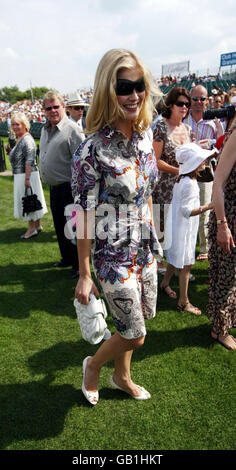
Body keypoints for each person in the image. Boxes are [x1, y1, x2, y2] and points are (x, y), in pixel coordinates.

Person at [71, 48, 163, 405]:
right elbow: (83, 213)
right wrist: (83, 273)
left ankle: (121, 376)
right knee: (136, 333)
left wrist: (156, 236)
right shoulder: (91, 150)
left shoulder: (144, 135)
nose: (134, 95)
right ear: (108, 89)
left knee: (137, 322)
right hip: (112, 255)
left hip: (144, 248)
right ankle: (93, 366)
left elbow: (149, 192)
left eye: (139, 85)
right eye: (124, 86)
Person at [163, 143, 214, 315]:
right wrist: (207, 206)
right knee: (186, 266)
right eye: (201, 161)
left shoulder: (182, 179)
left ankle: (164, 283)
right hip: (184, 230)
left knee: (173, 258)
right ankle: (183, 301)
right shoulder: (190, 184)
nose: (204, 163)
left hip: (178, 227)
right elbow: (186, 211)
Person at [39, 90, 84, 279]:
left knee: (72, 228)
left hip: (69, 188)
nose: (53, 111)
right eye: (48, 108)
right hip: (54, 188)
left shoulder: (72, 129)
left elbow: (82, 160)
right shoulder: (44, 129)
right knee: (59, 225)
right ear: (44, 110)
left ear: (63, 106)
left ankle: (78, 265)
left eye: (56, 106)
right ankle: (66, 258)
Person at [152, 86, 192, 293]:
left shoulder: (187, 129)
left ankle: (174, 267)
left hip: (184, 188)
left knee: (178, 230)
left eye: (187, 104)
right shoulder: (160, 126)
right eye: (180, 103)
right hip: (164, 187)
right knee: (163, 229)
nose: (184, 107)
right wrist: (179, 170)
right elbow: (155, 160)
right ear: (171, 105)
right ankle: (158, 266)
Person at [184, 85, 224, 261]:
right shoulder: (184, 120)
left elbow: (222, 145)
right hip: (185, 171)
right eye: (195, 99)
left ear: (207, 101)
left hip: (206, 170)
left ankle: (204, 248)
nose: (199, 102)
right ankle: (185, 246)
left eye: (202, 99)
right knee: (185, 210)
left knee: (204, 210)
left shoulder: (214, 121)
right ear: (190, 100)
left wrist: (211, 147)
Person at [207, 124, 236, 350]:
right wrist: (222, 225)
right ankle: (219, 330)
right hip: (228, 217)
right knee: (226, 278)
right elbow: (218, 184)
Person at [8, 112, 47, 238]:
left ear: (24, 125)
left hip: (27, 175)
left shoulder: (27, 139)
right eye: (13, 124)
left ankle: (31, 229)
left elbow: (29, 160)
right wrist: (10, 152)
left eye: (17, 124)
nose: (15, 127)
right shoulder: (20, 138)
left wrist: (27, 178)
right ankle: (37, 225)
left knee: (28, 200)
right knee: (32, 199)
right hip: (23, 175)